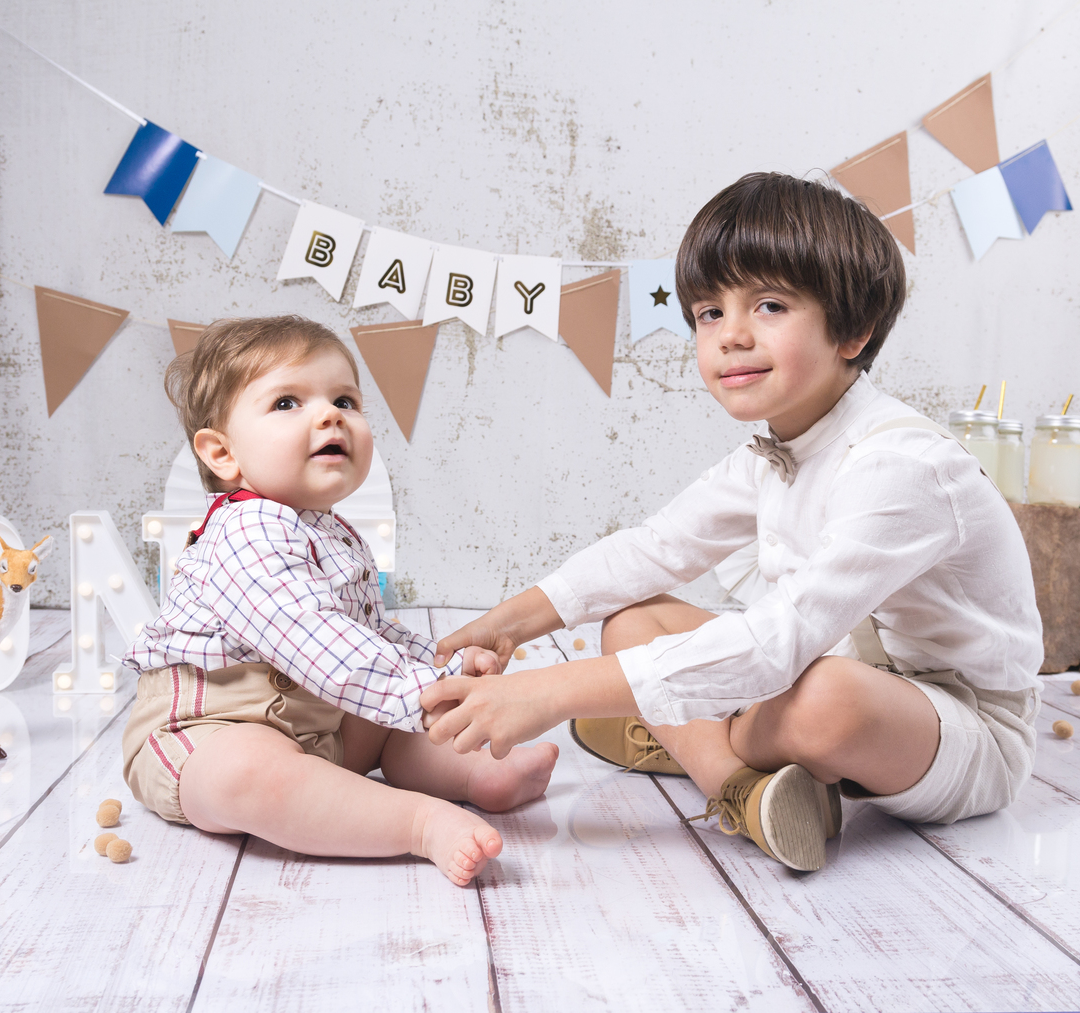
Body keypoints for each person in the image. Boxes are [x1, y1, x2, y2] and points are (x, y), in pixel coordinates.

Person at [424, 173, 1043, 872]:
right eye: (709, 312)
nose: (731, 335)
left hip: (958, 726)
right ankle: (745, 793)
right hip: (826, 669)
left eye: (769, 305)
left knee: (825, 700)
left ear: (854, 330)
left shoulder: (902, 466)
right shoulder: (778, 449)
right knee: (632, 619)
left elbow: (776, 643)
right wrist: (505, 625)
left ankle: (695, 735)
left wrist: (548, 692)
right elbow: (655, 548)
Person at [122, 315, 558, 886]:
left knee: (386, 725)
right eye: (287, 403)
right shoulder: (245, 532)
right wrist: (425, 695)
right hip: (206, 736)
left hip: (317, 727)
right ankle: (418, 823)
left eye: (345, 401)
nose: (330, 415)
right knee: (251, 772)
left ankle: (473, 775)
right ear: (223, 453)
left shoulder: (332, 532)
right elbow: (318, 642)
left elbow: (368, 634)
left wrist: (445, 669)